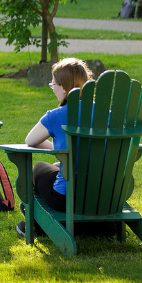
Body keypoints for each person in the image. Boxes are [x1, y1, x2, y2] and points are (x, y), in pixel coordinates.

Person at [19, 58, 92, 237]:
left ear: (64, 88)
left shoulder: (56, 115)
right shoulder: (107, 114)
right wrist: (65, 156)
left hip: (65, 198)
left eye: (53, 83)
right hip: (104, 194)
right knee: (58, 168)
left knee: (38, 168)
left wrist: (56, 150)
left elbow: (30, 140)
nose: (52, 88)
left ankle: (37, 224)